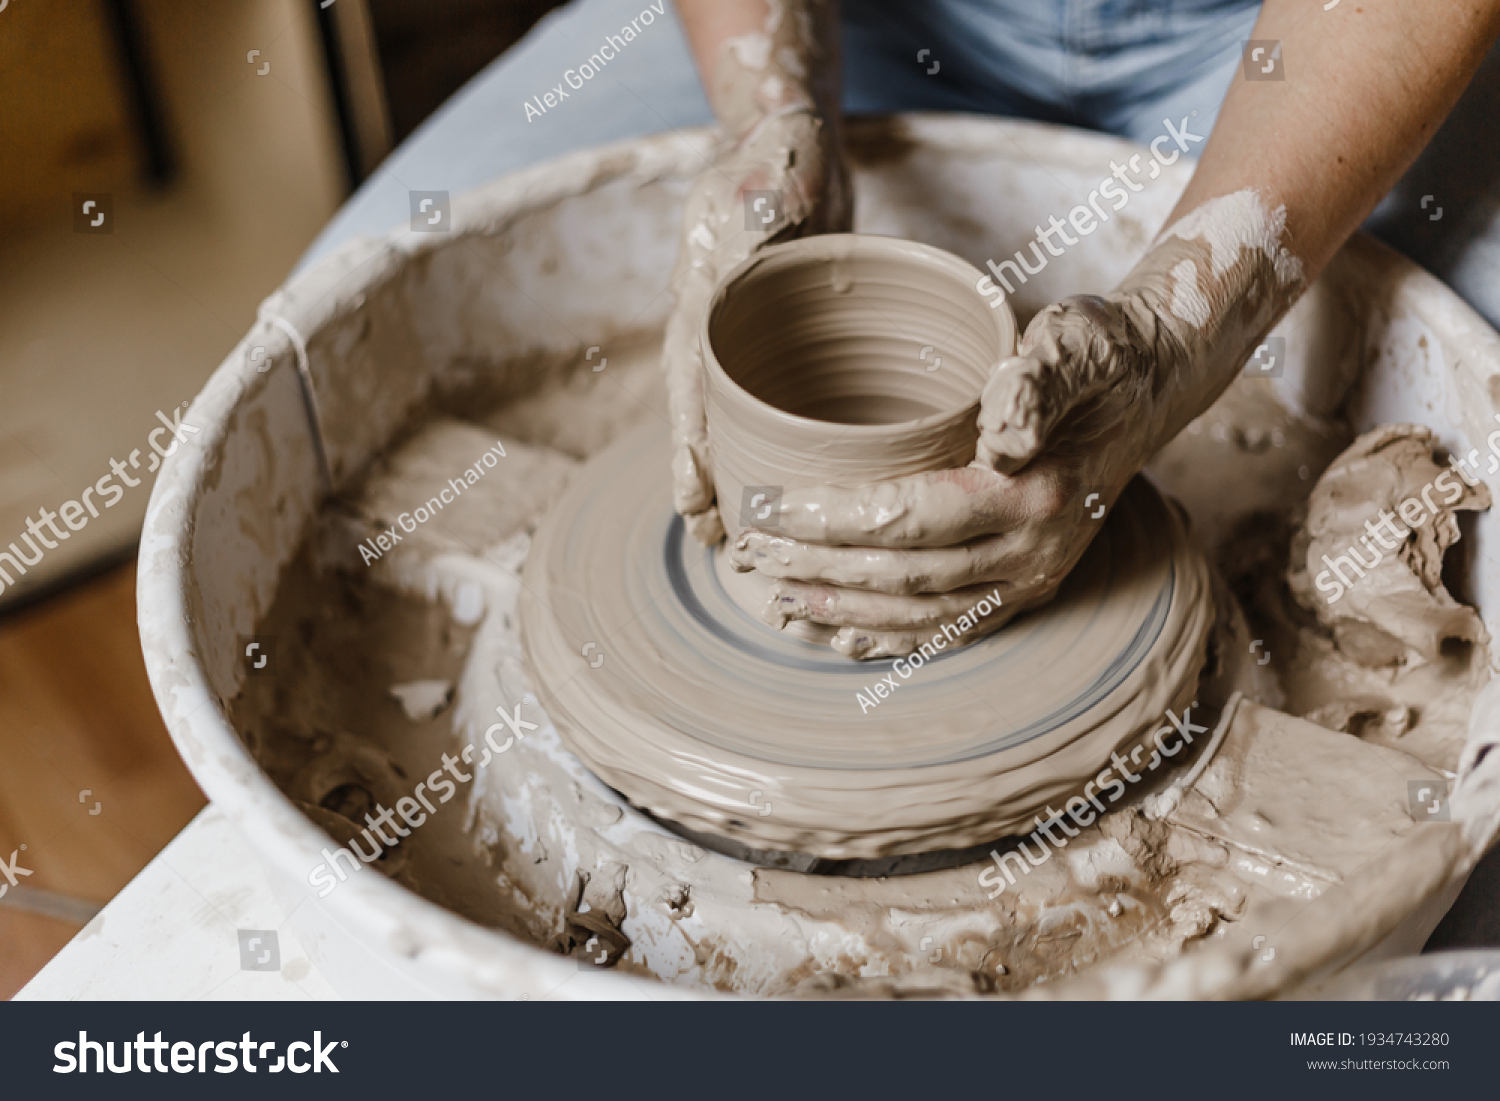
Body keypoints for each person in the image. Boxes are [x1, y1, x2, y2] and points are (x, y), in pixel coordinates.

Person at [658, 0, 1500, 658]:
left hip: (1286, 46)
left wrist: (1170, 336)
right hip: (884, 28)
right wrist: (773, 112)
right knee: (539, 160)